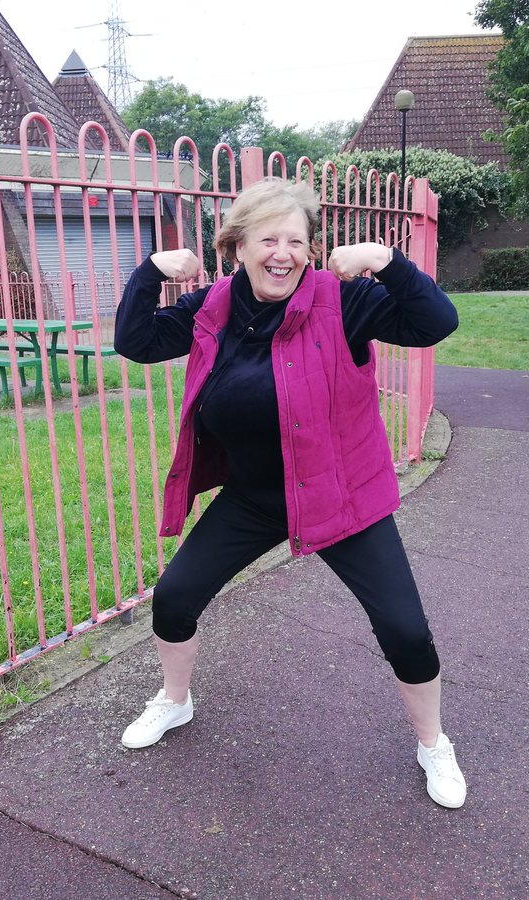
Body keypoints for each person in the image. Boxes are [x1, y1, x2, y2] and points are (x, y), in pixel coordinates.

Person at [112, 177, 464, 808]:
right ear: (237, 247)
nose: (284, 253)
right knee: (173, 599)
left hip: (341, 496)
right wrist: (151, 270)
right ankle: (175, 700)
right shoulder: (212, 308)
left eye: (296, 240)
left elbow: (436, 322)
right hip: (252, 498)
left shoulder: (341, 302)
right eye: (268, 238)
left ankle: (433, 744)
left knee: (406, 631)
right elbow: (135, 342)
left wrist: (385, 262)